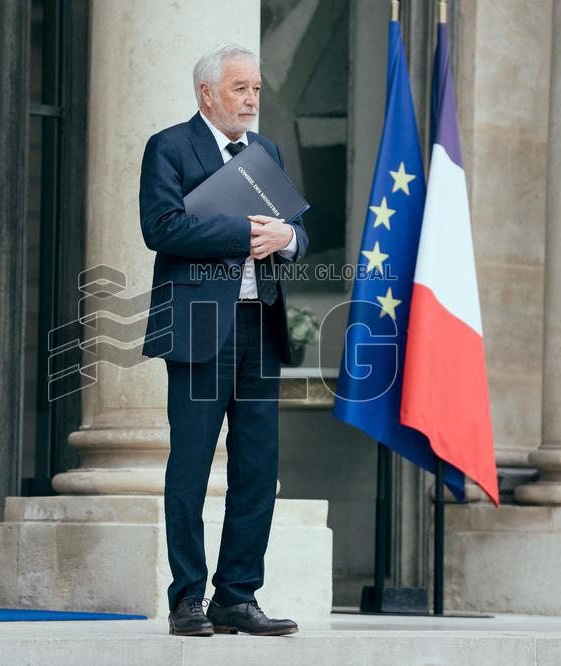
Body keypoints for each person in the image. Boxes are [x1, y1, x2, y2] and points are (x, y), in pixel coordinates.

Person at [139, 44, 309, 636]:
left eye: (256, 89)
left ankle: (237, 596)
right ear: (207, 93)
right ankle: (187, 598)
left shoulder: (266, 152)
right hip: (197, 328)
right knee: (189, 466)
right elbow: (159, 227)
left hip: (259, 325)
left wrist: (285, 236)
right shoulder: (170, 146)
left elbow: (298, 231)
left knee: (258, 468)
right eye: (240, 89)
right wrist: (244, 230)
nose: (251, 100)